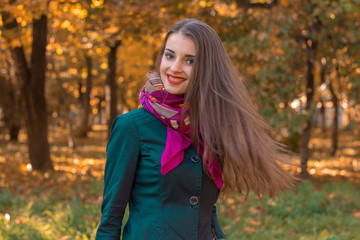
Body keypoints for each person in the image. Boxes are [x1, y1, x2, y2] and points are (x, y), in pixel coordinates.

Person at [96, 18, 295, 240]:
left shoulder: (212, 125)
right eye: (169, 56)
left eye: (189, 61)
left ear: (207, 69)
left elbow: (205, 208)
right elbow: (110, 220)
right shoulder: (131, 127)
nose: (175, 68)